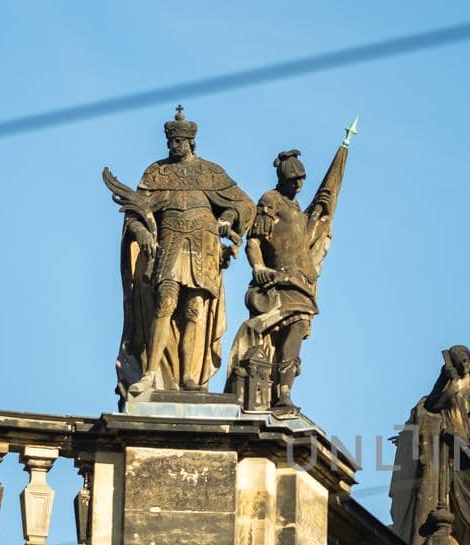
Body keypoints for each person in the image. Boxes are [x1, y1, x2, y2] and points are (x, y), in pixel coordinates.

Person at [105, 108, 254, 402]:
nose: (172, 147)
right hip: (170, 246)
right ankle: (150, 374)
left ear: (190, 143)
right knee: (165, 303)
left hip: (203, 247)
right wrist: (144, 233)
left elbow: (244, 205)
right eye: (170, 142)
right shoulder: (156, 173)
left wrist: (227, 217)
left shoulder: (210, 172)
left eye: (178, 142)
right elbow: (135, 214)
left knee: (194, 310)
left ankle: (189, 376)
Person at [226, 129, 352, 414]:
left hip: (301, 283)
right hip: (278, 284)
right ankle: (272, 391)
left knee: (295, 334)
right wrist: (258, 266)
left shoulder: (296, 208)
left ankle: (284, 392)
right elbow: (254, 241)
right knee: (272, 336)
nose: (299, 185)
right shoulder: (271, 200)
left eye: (302, 180)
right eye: (294, 179)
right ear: (284, 178)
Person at [390, 346, 470, 545]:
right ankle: (448, 541)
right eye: (458, 362)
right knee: (448, 495)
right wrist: (448, 389)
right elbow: (431, 406)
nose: (463, 365)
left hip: (469, 452)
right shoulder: (448, 384)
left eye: (465, 361)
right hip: (449, 449)